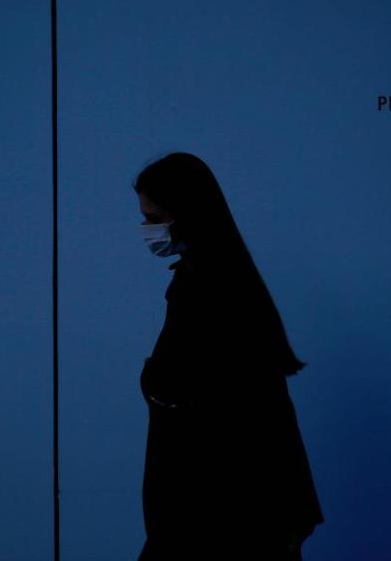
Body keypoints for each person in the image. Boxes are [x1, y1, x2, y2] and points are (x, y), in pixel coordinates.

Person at [133, 152, 324, 561]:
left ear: (185, 212)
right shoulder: (228, 275)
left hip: (216, 501)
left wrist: (152, 382)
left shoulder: (203, 286)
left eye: (154, 217)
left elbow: (185, 387)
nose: (147, 230)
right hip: (244, 500)